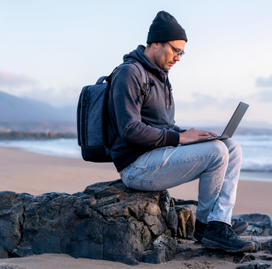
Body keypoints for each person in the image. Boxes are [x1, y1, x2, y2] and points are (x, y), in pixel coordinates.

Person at [106, 11, 254, 253]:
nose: (179, 57)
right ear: (155, 43)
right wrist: (180, 138)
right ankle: (206, 227)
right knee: (217, 152)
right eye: (175, 50)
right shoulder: (130, 73)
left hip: (157, 155)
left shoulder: (161, 77)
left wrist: (190, 134)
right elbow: (129, 130)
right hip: (135, 166)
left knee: (231, 147)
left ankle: (220, 222)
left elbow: (163, 127)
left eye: (182, 52)